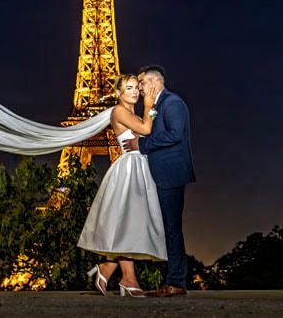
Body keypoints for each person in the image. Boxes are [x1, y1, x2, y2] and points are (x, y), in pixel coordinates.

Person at [77, 73, 166, 297]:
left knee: (132, 224)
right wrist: (149, 104)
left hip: (139, 168)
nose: (135, 91)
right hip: (129, 170)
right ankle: (128, 278)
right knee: (130, 223)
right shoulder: (118, 111)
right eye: (128, 88)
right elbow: (146, 130)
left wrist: (149, 110)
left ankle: (110, 268)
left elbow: (148, 130)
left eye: (137, 87)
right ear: (118, 93)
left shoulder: (131, 113)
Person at [128, 65, 196, 297]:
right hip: (162, 172)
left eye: (142, 83)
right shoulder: (159, 105)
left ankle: (176, 282)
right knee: (167, 228)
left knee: (172, 229)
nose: (140, 88)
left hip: (170, 173)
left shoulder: (172, 103)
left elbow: (175, 134)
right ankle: (173, 280)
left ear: (155, 82)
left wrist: (143, 145)